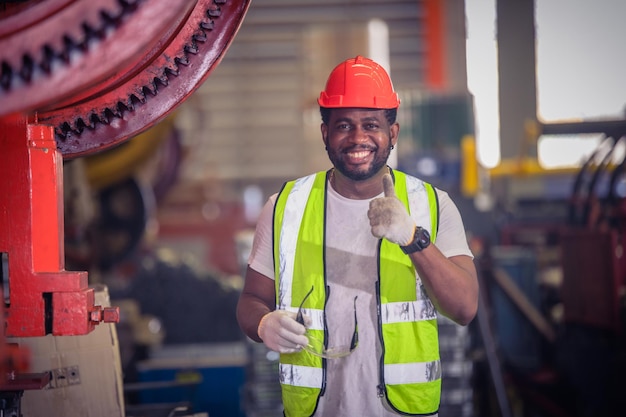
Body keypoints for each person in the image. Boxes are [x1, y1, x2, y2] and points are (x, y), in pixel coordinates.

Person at [236, 55, 479, 417]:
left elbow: (464, 308)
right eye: (344, 125)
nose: (358, 137)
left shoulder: (431, 205)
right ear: (325, 133)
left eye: (371, 124)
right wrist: (262, 323)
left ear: (392, 133)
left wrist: (412, 236)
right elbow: (251, 299)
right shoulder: (285, 207)